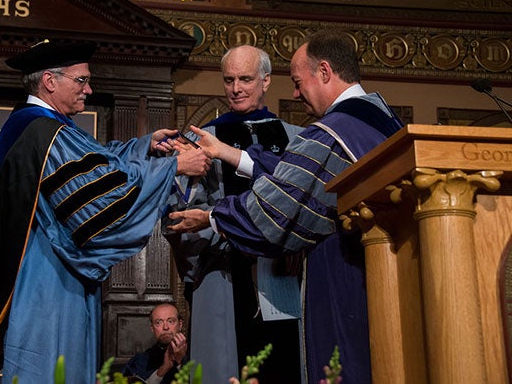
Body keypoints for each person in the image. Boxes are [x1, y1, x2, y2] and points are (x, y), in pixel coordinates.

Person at [0, 40, 210, 383]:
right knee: (53, 366)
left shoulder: (34, 125)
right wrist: (175, 166)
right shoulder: (43, 131)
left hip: (43, 269)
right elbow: (102, 193)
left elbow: (96, 161)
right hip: (49, 276)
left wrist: (144, 145)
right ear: (50, 81)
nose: (88, 89)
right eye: (80, 80)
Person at [167, 30, 404, 383]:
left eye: (297, 82)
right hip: (377, 271)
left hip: (336, 270)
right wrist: (214, 156)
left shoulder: (330, 133)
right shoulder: (382, 119)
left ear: (324, 72)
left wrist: (213, 218)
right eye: (228, 79)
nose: (294, 92)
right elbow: (297, 173)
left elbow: (282, 201)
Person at [164, 45, 304, 383]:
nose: (236, 88)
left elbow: (304, 206)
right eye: (229, 80)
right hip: (224, 272)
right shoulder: (203, 138)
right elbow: (179, 215)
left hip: (283, 274)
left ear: (266, 81)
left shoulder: (294, 138)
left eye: (245, 79)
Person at [122, 302, 188, 384]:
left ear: (180, 325)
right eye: (158, 322)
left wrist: (180, 362)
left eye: (171, 321)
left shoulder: (196, 354)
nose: (165, 327)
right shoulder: (139, 362)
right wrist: (163, 369)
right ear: (152, 328)